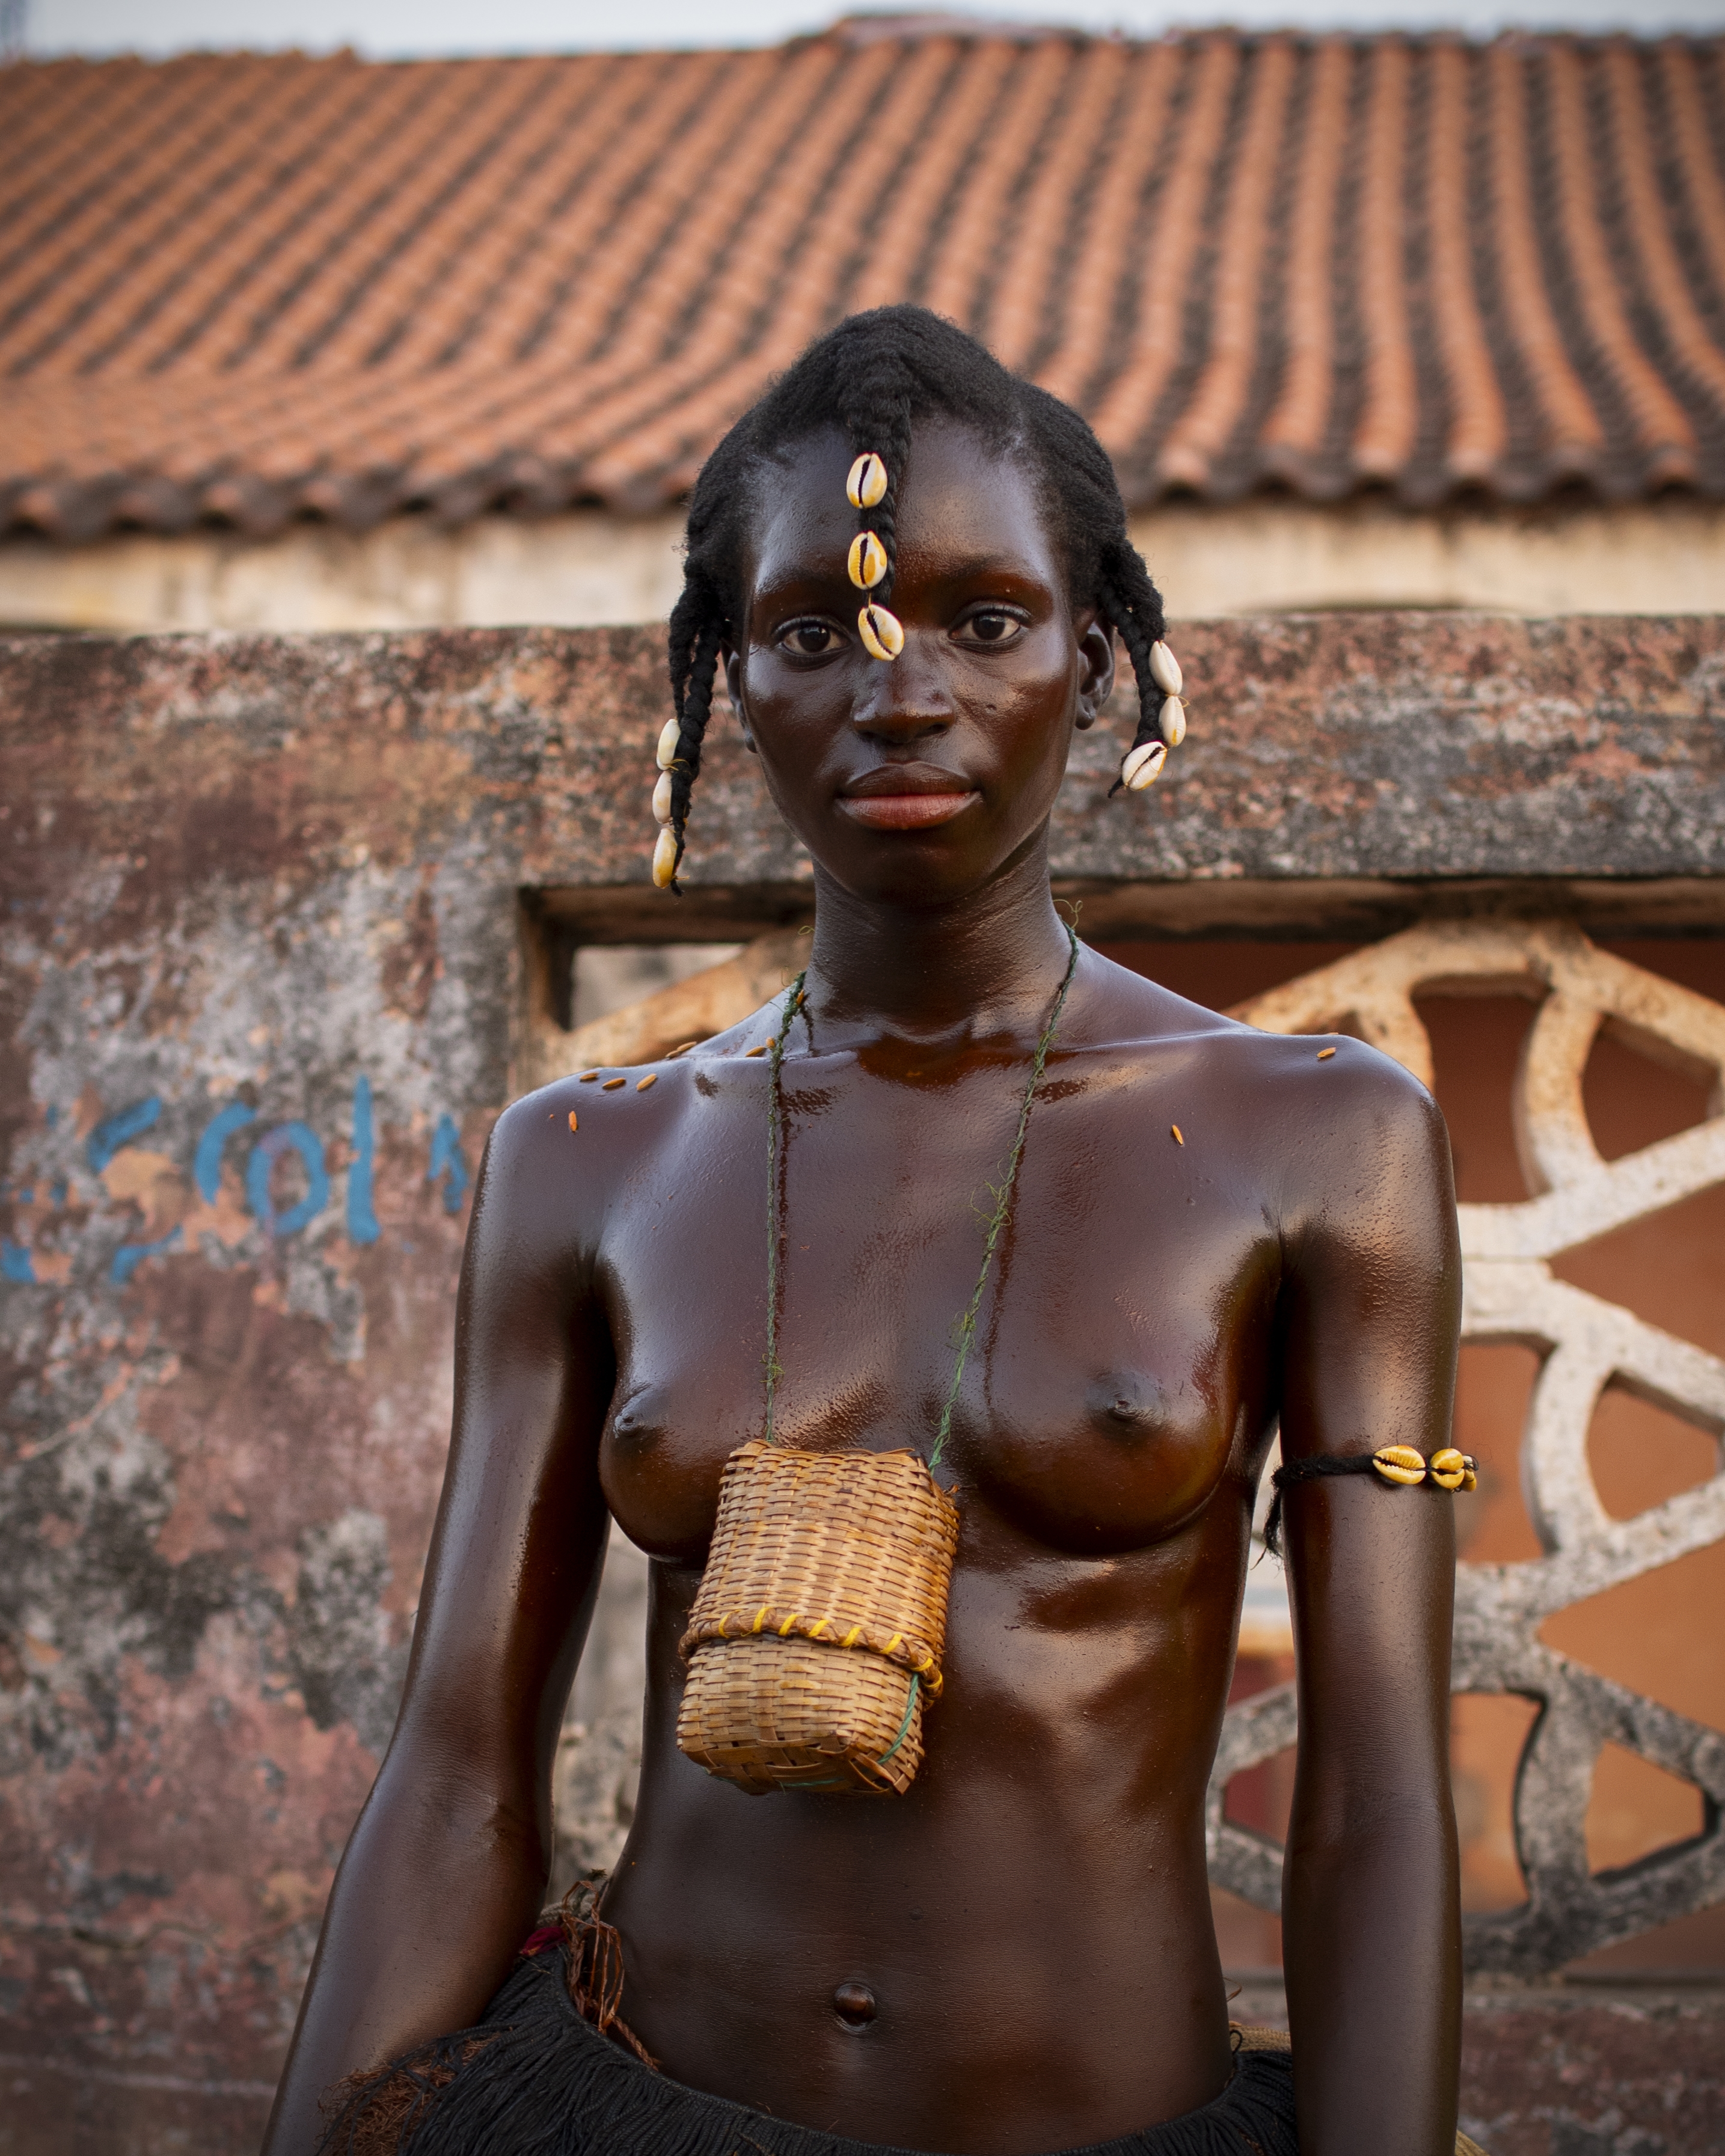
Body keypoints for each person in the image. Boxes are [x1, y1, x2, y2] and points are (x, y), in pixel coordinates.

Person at [263, 307, 1470, 2156]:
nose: (899, 693)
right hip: (641, 2105)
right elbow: (450, 1771)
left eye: (986, 620)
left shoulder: (1317, 1138)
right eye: (813, 630)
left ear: (1103, 656)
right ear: (724, 680)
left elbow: (1379, 1797)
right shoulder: (587, 1157)